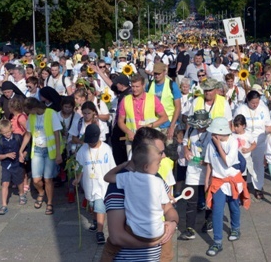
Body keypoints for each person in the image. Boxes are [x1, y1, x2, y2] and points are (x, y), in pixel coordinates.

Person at [102, 127, 179, 262]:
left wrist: (172, 223)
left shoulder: (156, 177)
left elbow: (168, 208)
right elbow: (116, 236)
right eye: (160, 152)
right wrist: (150, 243)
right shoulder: (119, 184)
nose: (164, 156)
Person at [204, 117, 250, 257]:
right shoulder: (210, 143)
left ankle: (235, 228)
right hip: (218, 181)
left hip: (232, 180)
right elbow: (209, 164)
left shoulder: (233, 142)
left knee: (234, 206)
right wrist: (207, 182)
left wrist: (218, 145)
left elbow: (228, 162)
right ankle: (217, 242)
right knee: (217, 210)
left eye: (214, 133)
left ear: (220, 133)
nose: (212, 135)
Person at [18, 98, 63, 215]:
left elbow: (56, 134)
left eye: (29, 111)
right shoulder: (32, 117)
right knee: (36, 179)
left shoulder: (50, 113)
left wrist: (58, 153)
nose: (28, 114)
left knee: (48, 179)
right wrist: (21, 150)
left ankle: (49, 202)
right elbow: (28, 134)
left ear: (34, 108)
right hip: (37, 149)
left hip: (49, 150)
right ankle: (41, 192)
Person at [74, 123, 116, 244]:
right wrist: (77, 179)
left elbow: (112, 167)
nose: (91, 144)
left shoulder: (106, 149)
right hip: (89, 183)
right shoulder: (82, 150)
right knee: (92, 205)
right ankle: (95, 221)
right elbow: (79, 167)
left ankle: (100, 232)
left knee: (100, 206)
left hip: (102, 184)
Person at [178, 111, 213, 241]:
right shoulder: (191, 129)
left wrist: (206, 161)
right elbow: (184, 143)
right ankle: (190, 229)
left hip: (207, 170)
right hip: (192, 170)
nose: (199, 127)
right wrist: (186, 151)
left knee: (208, 198)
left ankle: (209, 221)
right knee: (191, 200)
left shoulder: (211, 133)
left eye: (201, 125)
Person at [117, 73, 169, 154]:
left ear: (143, 85)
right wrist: (128, 132)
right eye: (133, 86)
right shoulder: (125, 100)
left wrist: (151, 126)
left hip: (150, 140)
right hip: (132, 141)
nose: (134, 89)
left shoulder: (152, 98)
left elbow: (165, 117)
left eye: (137, 86)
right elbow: (120, 121)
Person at [234, 90, 271, 199]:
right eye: (252, 103)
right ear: (248, 101)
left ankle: (258, 187)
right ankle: (242, 187)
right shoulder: (241, 109)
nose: (255, 105)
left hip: (259, 141)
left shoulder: (263, 109)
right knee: (242, 164)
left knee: (258, 165)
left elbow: (268, 125)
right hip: (244, 141)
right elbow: (235, 125)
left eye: (257, 102)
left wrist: (270, 132)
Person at [0, 119, 27, 214]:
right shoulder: (0, 141)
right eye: (5, 133)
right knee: (5, 183)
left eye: (9, 131)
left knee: (19, 181)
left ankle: (21, 194)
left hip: (17, 164)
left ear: (12, 129)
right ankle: (4, 204)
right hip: (6, 165)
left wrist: (23, 156)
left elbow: (25, 149)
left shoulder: (18, 137)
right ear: (1, 132)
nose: (7, 134)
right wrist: (6, 155)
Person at [148, 62, 181, 142]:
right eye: (155, 73)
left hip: (168, 123)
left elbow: (178, 107)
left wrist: (172, 126)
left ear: (164, 72)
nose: (157, 75)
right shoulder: (149, 85)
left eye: (159, 73)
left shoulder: (172, 85)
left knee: (169, 151)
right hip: (154, 123)